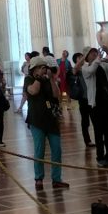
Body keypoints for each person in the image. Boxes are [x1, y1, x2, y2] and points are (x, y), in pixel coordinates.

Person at [24, 55, 68, 189]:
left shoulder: (49, 80)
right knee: (39, 150)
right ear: (34, 69)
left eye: (45, 67)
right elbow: (33, 91)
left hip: (51, 120)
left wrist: (52, 79)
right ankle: (39, 178)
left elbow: (56, 96)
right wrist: (39, 78)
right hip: (37, 120)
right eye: (41, 67)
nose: (44, 70)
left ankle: (56, 179)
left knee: (57, 149)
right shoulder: (29, 79)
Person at [82, 46, 108, 167]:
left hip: (106, 102)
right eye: (92, 54)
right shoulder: (85, 68)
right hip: (94, 105)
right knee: (98, 132)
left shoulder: (103, 65)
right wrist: (98, 59)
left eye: (96, 53)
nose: (95, 55)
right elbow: (91, 70)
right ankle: (100, 157)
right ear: (87, 57)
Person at [68, 52, 92, 147]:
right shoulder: (75, 70)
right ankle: (87, 140)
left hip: (91, 97)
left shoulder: (87, 68)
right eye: (80, 57)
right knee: (85, 120)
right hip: (83, 98)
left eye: (83, 57)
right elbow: (75, 69)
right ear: (76, 60)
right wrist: (84, 57)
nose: (83, 58)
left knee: (95, 119)